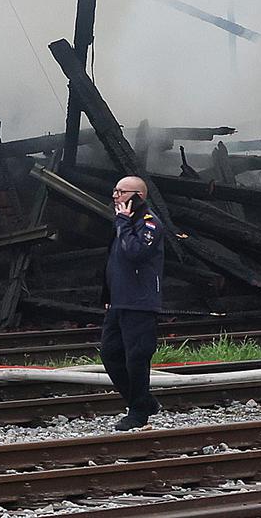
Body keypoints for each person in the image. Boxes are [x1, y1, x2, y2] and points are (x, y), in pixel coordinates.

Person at [100, 174, 165, 430]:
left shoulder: (149, 223)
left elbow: (135, 252)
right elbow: (113, 261)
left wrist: (124, 223)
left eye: (121, 192)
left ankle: (138, 412)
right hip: (118, 302)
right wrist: (107, 296)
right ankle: (144, 401)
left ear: (138, 196)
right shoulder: (123, 222)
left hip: (140, 302)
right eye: (115, 191)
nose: (115, 196)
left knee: (136, 358)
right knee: (110, 354)